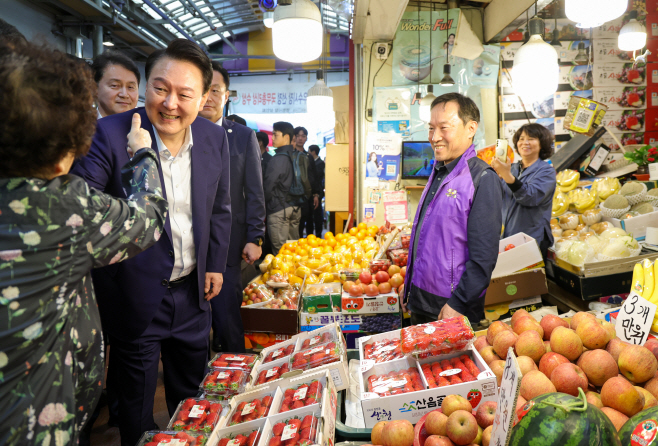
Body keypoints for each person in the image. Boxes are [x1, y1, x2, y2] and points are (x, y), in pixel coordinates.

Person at [0, 41, 167, 446]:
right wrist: (143, 155)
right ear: (64, 153)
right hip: (33, 419)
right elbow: (148, 217)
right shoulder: (62, 207)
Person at [71, 38, 232, 446]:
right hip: (134, 293)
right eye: (161, 89)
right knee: (137, 409)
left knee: (192, 400)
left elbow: (219, 208)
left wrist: (213, 264)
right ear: (146, 87)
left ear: (204, 98)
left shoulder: (214, 139)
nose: (171, 104)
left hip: (193, 293)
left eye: (185, 94)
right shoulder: (109, 135)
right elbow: (83, 211)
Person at [402, 93, 502, 325]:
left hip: (451, 309)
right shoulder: (439, 172)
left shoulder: (482, 178)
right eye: (431, 129)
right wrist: (409, 286)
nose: (434, 137)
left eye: (444, 128)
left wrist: (458, 304)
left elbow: (483, 258)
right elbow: (427, 238)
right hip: (422, 302)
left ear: (470, 128)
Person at [199, 62, 266, 353]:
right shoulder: (180, 132)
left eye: (216, 90)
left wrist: (255, 237)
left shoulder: (241, 135)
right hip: (190, 241)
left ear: (227, 95)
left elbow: (254, 191)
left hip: (229, 242)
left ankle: (233, 374)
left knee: (227, 316)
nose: (209, 97)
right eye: (204, 90)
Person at [491, 123, 556, 260]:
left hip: (533, 239)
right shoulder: (512, 168)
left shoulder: (546, 171)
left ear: (542, 143)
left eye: (531, 138)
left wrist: (507, 176)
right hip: (508, 237)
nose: (525, 142)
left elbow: (530, 197)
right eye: (521, 138)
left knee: (529, 281)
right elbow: (496, 199)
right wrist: (493, 179)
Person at [264, 122, 309, 253]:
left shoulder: (277, 159)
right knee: (293, 251)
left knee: (281, 254)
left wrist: (264, 206)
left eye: (275, 134)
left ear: (286, 137)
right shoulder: (296, 156)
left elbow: (268, 187)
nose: (272, 138)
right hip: (295, 209)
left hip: (279, 210)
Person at [91, 50, 140, 119]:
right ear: (95, 88)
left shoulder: (148, 127)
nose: (124, 95)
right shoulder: (79, 128)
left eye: (130, 87)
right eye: (114, 85)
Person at [293, 126, 320, 237]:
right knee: (295, 227)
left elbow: (314, 177)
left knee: (309, 222)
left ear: (306, 138)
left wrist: (316, 194)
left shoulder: (309, 157)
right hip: (293, 197)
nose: (300, 138)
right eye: (298, 136)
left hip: (308, 197)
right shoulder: (290, 155)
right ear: (293, 137)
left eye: (303, 136)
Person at [309, 145, 325, 237]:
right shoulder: (316, 162)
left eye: (309, 151)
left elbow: (317, 179)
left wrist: (317, 194)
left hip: (317, 192)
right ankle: (311, 235)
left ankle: (318, 235)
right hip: (314, 192)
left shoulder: (320, 163)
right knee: (312, 215)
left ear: (313, 152)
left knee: (317, 215)